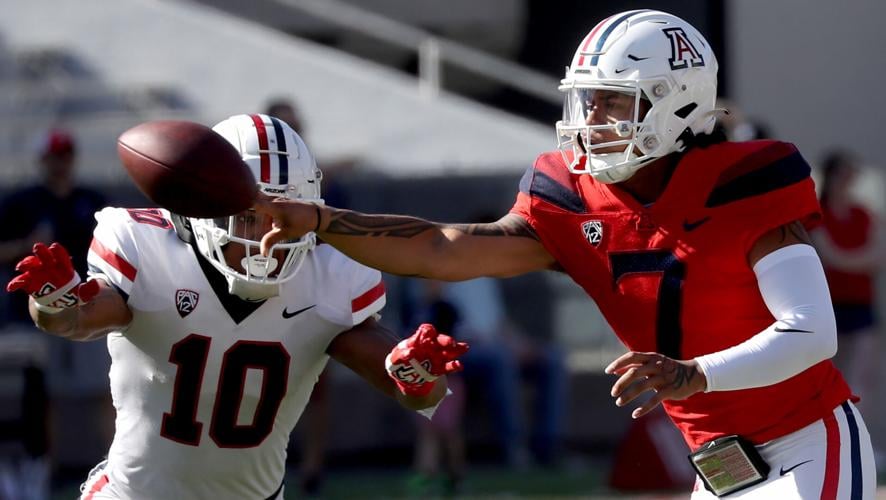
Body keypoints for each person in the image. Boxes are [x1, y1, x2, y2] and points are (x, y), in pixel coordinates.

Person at [253, 10, 877, 498]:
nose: (592, 117)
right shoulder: (571, 198)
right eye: (588, 98)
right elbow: (441, 248)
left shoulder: (745, 182)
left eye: (613, 100)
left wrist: (693, 374)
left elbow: (812, 332)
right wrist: (320, 220)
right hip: (718, 464)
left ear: (679, 101)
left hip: (806, 442)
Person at [5, 113, 468, 500]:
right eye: (248, 215)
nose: (266, 233)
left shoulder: (331, 273)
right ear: (201, 210)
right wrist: (54, 298)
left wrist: (419, 375)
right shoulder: (149, 247)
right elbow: (76, 319)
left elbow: (407, 385)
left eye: (282, 213)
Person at [811, 150, 882, 418]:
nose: (849, 179)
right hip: (830, 305)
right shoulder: (819, 213)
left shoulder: (863, 214)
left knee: (863, 374)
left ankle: (861, 436)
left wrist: (852, 261)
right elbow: (831, 257)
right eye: (844, 173)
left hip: (862, 304)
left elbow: (879, 254)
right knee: (830, 376)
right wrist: (860, 261)